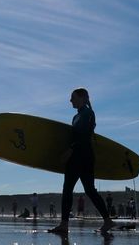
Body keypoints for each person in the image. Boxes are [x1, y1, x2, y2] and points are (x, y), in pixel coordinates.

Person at [49, 88, 113, 235]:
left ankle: (64, 224)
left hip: (82, 156)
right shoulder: (76, 117)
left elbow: (84, 137)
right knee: (87, 190)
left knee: (71, 190)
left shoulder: (88, 114)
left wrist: (70, 150)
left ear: (82, 98)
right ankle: (108, 221)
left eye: (73, 97)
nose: (70, 100)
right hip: (80, 156)